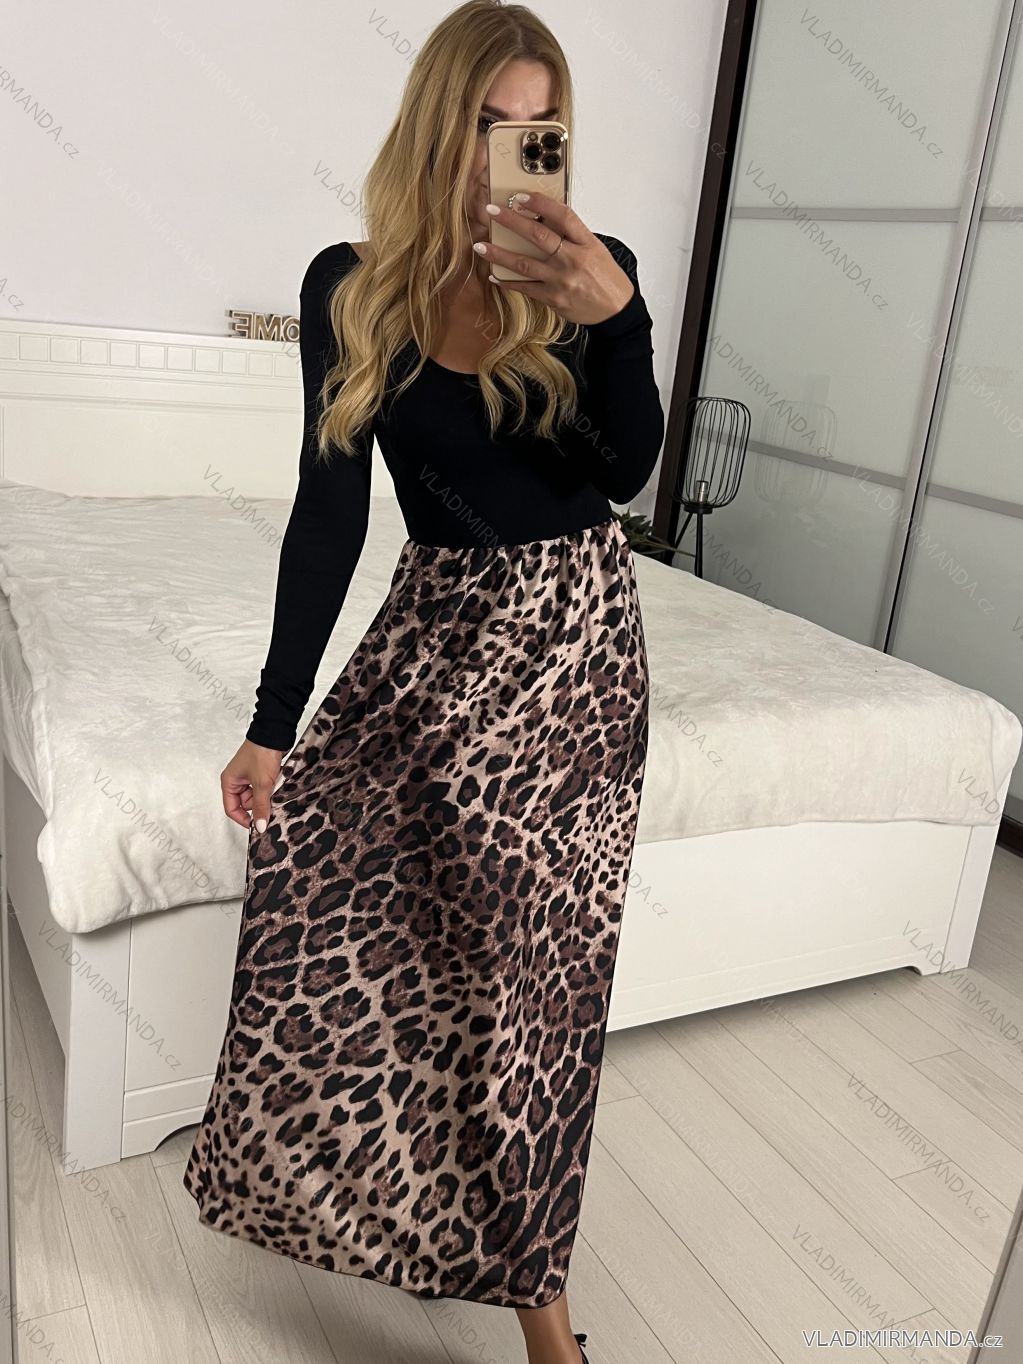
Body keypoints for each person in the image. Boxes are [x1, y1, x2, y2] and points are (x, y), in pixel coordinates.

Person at [184, 3, 664, 1361]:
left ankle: (545, 1319)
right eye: (488, 121)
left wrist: (617, 321)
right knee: (319, 879)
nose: (512, 149)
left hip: (571, 649)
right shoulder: (352, 287)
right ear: (437, 122)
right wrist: (273, 726)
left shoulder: (595, 276)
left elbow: (626, 472)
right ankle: (391, 1215)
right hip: (434, 631)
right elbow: (329, 513)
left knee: (524, 987)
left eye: (539, 127)